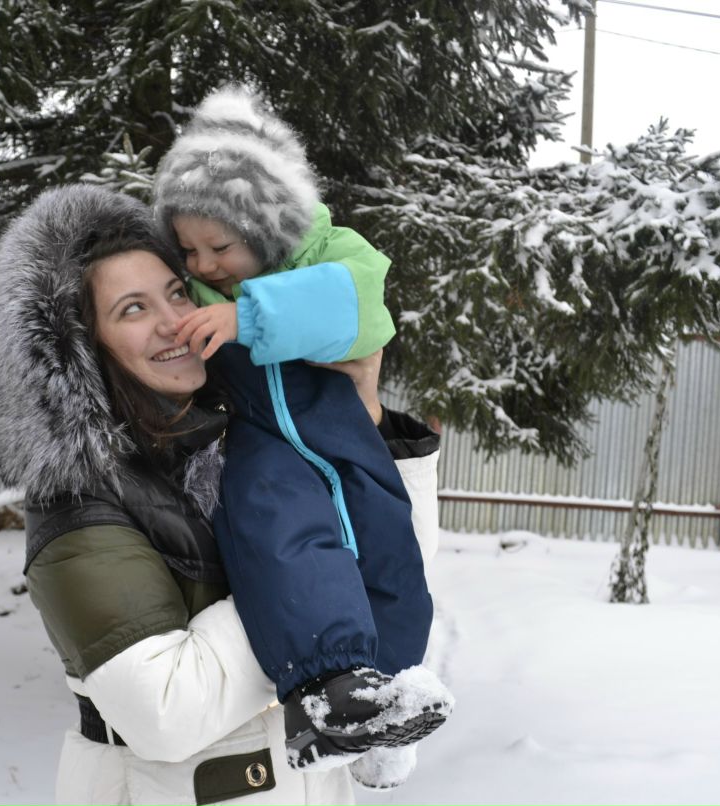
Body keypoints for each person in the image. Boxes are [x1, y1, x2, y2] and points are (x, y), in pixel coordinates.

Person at [0, 183, 445, 804]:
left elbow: (399, 566)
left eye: (176, 292)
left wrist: (361, 415)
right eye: (132, 309)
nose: (174, 320)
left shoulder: (242, 440)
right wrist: (310, 590)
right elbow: (167, 711)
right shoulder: (79, 502)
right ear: (80, 350)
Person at [151, 85, 451, 771]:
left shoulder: (332, 252)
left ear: (267, 225)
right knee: (287, 537)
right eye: (187, 249)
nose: (200, 266)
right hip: (263, 442)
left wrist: (247, 318)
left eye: (217, 246)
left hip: (344, 437)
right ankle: (328, 692)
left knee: (392, 560)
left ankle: (385, 700)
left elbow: (362, 310)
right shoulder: (199, 294)